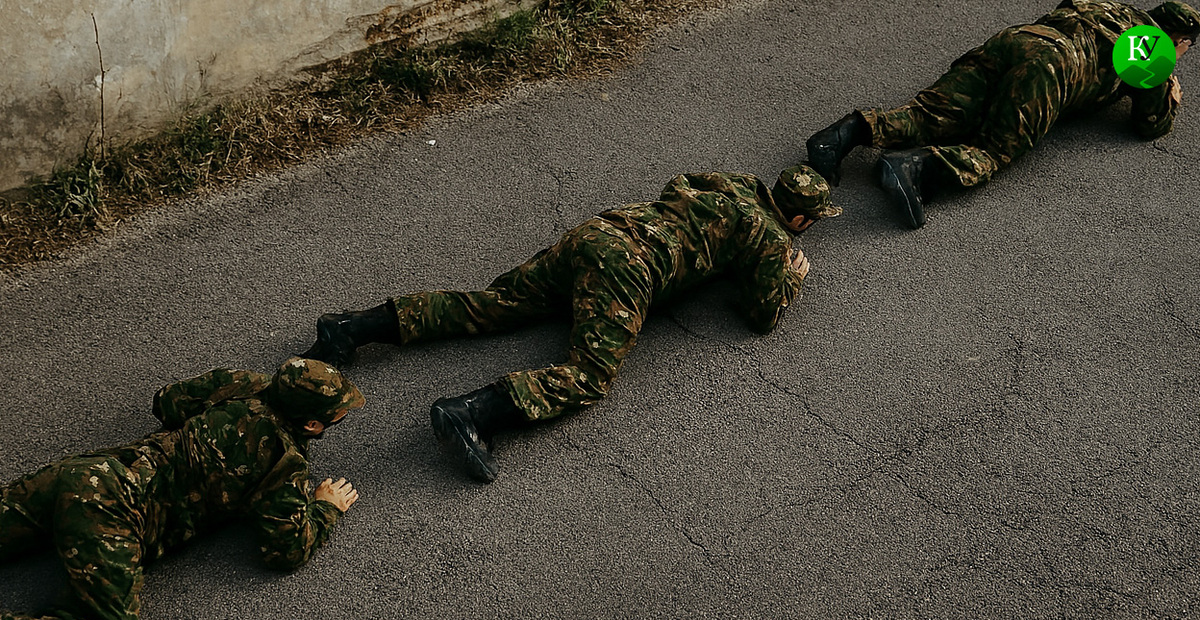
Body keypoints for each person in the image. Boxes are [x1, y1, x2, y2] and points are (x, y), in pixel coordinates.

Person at [302, 165, 840, 484]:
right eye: (810, 224)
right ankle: (473, 415)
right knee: (591, 375)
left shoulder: (733, 182)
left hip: (603, 230)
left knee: (498, 303)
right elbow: (761, 316)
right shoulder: (774, 238)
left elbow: (683, 186)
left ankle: (351, 329)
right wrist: (790, 273)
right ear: (799, 218)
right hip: (629, 268)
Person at [0, 357, 365, 620]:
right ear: (314, 425)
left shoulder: (242, 384)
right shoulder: (284, 463)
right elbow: (286, 550)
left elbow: (168, 401)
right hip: (116, 511)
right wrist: (325, 508)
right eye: (339, 412)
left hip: (93, 469)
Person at [806, 0, 1200, 228]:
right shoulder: (1153, 47)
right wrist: (1170, 93)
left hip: (1019, 39)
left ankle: (845, 134)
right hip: (1050, 71)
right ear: (1180, 41)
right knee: (994, 149)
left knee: (933, 112)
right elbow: (1150, 124)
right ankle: (916, 168)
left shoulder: (1112, 6)